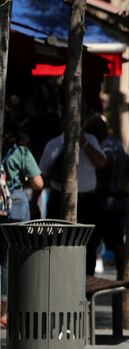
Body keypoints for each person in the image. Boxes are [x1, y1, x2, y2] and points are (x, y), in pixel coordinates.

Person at [38, 118, 107, 276]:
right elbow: (43, 175)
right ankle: (57, 278)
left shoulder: (90, 140)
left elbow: (101, 162)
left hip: (86, 201)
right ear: (62, 123)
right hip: (59, 199)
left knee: (89, 244)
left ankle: (87, 282)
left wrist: (84, 143)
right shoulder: (54, 144)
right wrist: (35, 202)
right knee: (56, 242)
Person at [1, 113, 44, 328]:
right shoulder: (20, 152)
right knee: (9, 260)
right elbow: (38, 183)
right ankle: (4, 311)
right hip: (14, 207)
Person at [84, 114, 129, 271]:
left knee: (96, 240)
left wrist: (107, 184)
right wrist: (124, 185)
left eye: (89, 131)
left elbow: (110, 161)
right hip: (117, 200)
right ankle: (121, 275)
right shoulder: (116, 143)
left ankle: (93, 276)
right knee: (117, 240)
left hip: (106, 202)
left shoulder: (106, 144)